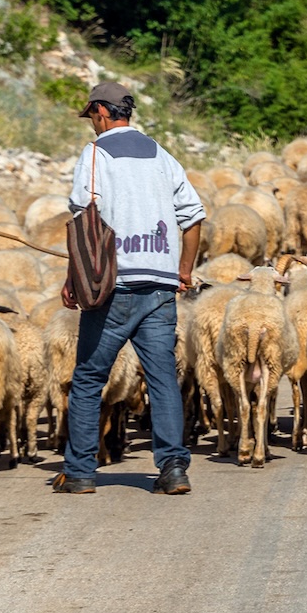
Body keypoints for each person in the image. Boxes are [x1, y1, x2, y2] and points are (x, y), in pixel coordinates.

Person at [55, 81, 204, 495]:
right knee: (162, 380)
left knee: (87, 379)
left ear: (103, 113)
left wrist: (74, 280)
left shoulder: (95, 155)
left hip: (112, 287)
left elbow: (85, 221)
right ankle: (173, 468)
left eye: (93, 117)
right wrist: (184, 270)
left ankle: (82, 472)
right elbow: (193, 217)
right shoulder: (161, 154)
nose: (94, 125)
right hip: (159, 286)